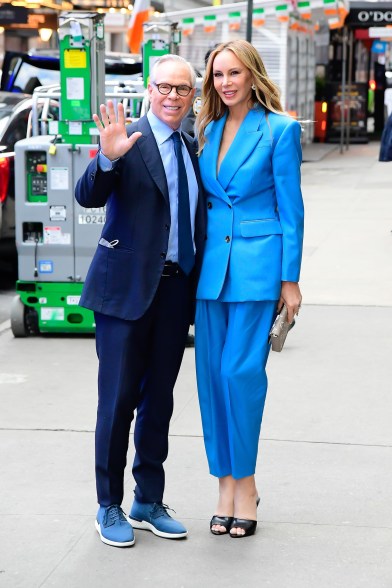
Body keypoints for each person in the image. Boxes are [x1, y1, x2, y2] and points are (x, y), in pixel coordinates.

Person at [75, 54, 206, 548]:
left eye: (183, 90)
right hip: (126, 291)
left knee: (160, 401)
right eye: (165, 88)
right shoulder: (128, 139)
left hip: (174, 290)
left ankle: (147, 499)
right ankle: (108, 505)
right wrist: (107, 158)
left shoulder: (191, 144)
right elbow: (89, 196)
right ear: (150, 91)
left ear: (193, 97)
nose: (173, 97)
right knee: (118, 401)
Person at [195, 40, 304, 538]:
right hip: (212, 272)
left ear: (252, 74)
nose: (226, 82)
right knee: (212, 379)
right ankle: (225, 485)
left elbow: (291, 206)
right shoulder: (208, 129)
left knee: (241, 374)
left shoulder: (279, 129)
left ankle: (247, 484)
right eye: (218, 75)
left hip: (259, 269)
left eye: (234, 73)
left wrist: (291, 279)